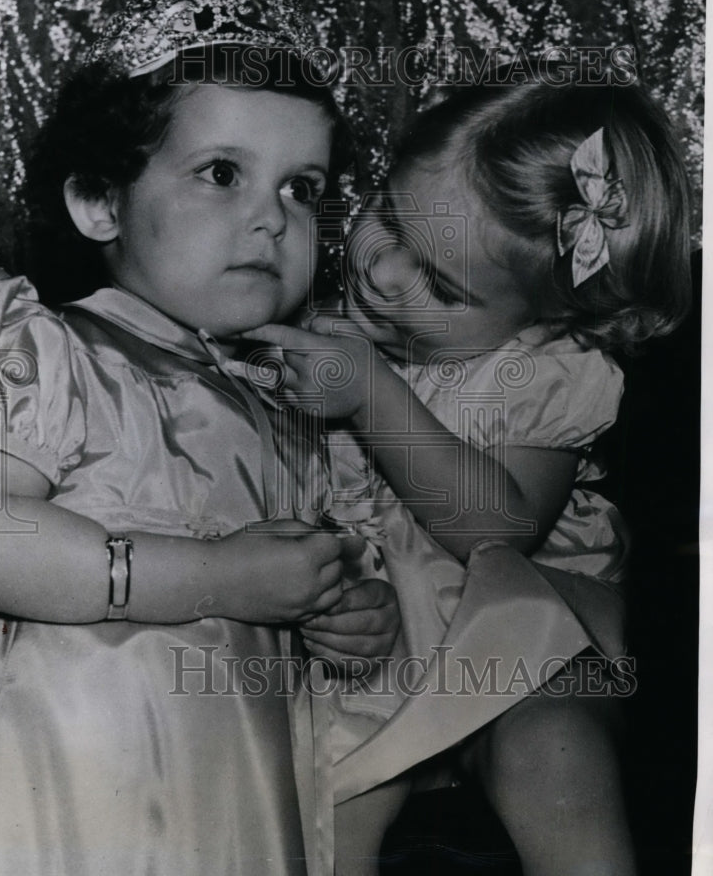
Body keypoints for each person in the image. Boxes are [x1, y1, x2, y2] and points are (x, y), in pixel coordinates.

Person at [0, 0, 401, 876]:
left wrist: (354, 623)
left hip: (233, 805)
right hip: (53, 785)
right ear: (100, 201)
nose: (271, 220)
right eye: (222, 174)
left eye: (301, 188)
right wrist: (216, 577)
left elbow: (341, 590)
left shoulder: (306, 414)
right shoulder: (42, 346)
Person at [247, 79, 691, 875]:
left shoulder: (548, 368)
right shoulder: (320, 326)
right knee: (322, 787)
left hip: (517, 635)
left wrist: (373, 395)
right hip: (367, 636)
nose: (384, 272)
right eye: (388, 219)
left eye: (440, 286)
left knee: (551, 749)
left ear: (545, 315)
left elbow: (496, 534)